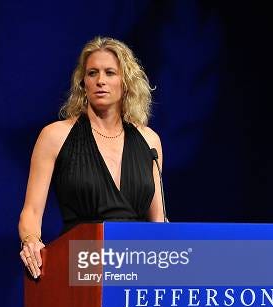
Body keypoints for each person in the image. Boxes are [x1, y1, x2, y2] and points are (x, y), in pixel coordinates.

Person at [18, 36, 165, 279]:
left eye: (110, 73)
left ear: (126, 82)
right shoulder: (55, 136)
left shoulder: (149, 141)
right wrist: (31, 241)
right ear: (83, 82)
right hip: (81, 267)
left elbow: (159, 221)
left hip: (138, 268)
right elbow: (31, 212)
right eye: (92, 73)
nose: (100, 81)